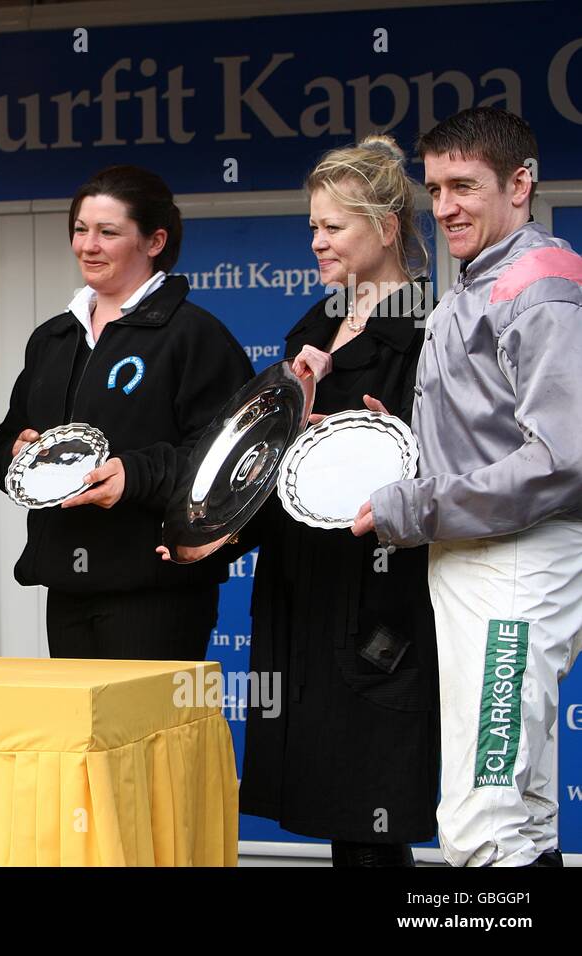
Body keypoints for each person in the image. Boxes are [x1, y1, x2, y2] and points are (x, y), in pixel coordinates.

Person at [361, 108, 582, 868]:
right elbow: (494, 433)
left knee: (482, 823)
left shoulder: (539, 284)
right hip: (481, 560)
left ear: (520, 184)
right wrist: (403, 440)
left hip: (513, 566)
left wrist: (408, 504)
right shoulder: (476, 281)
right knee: (518, 812)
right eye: (434, 188)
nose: (445, 206)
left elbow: (561, 457)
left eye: (464, 185)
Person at [235, 136, 439, 866]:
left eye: (334, 227)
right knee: (335, 805)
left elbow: (453, 464)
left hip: (379, 589)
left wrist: (395, 439)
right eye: (313, 227)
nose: (317, 241)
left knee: (371, 807)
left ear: (385, 227)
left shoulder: (430, 330)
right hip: (303, 582)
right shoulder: (312, 328)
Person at [0, 165, 253, 660]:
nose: (88, 245)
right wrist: (18, 454)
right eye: (80, 229)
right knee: (80, 739)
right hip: (66, 584)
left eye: (108, 232)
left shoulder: (193, 335)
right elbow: (6, 439)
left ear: (155, 240)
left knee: (150, 739)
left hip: (158, 589)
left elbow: (233, 458)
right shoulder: (52, 337)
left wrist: (135, 475)